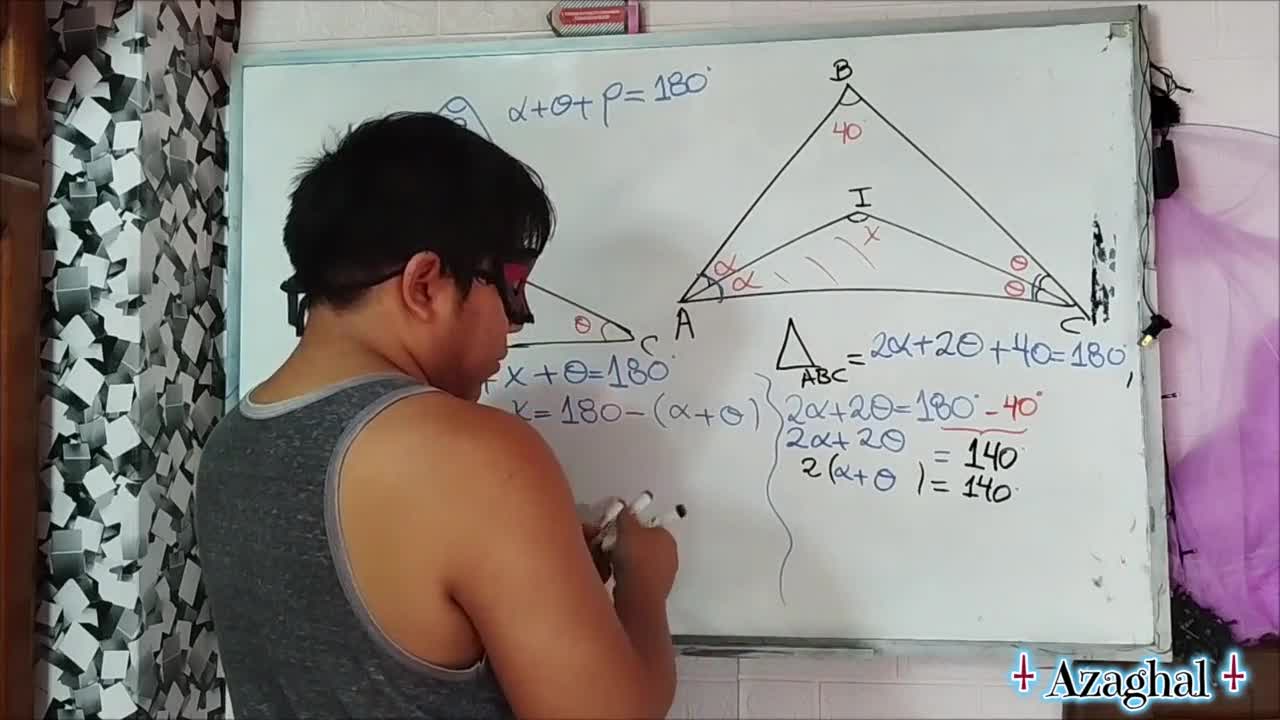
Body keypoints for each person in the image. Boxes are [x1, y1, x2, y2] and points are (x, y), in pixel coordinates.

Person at [194, 112, 679, 719]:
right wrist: (645, 585)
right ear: (424, 284)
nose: (515, 323)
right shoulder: (476, 457)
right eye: (510, 287)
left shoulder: (229, 450)